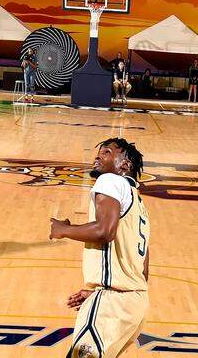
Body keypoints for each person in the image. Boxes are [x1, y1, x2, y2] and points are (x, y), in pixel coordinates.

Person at [50, 138, 148, 358]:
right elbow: (144, 270)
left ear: (124, 165)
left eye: (106, 152)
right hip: (135, 305)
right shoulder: (139, 204)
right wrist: (103, 293)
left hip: (113, 304)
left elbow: (105, 231)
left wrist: (64, 230)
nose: (98, 156)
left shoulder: (111, 181)